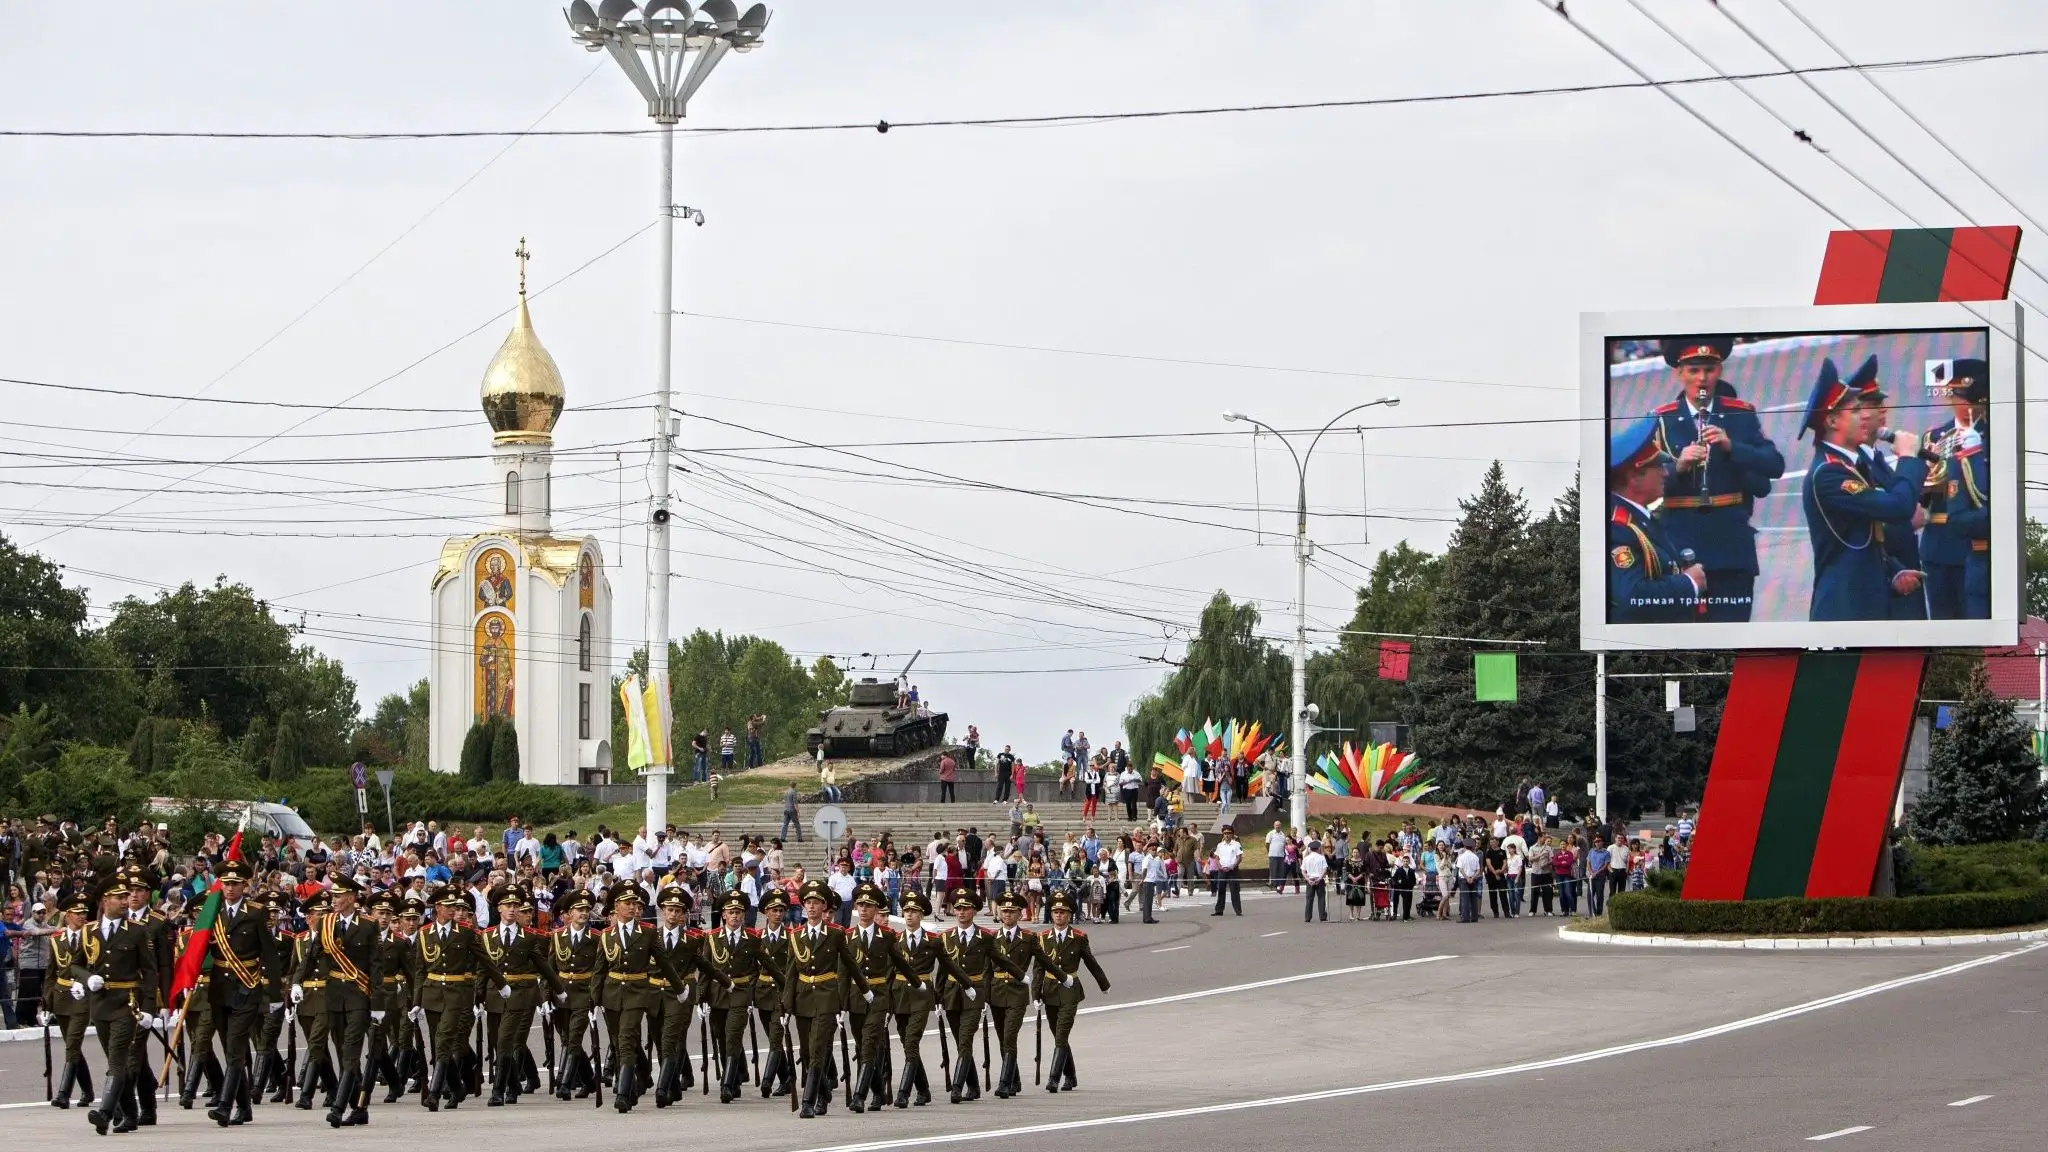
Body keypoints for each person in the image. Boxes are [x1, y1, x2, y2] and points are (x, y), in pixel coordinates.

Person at [1649, 337, 1785, 622]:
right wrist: (1679, 465)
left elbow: (1775, 464)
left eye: (1709, 370)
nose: (1702, 378)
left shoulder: (1740, 413)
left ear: (1719, 370)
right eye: (1694, 370)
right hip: (1679, 545)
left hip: (1731, 547)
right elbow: (1643, 485)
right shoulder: (1662, 419)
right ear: (1680, 373)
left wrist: (1731, 446)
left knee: (1733, 631)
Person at [1800, 356, 1927, 620]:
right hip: (1844, 607)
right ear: (1833, 421)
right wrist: (1908, 458)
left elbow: (1863, 537)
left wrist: (1894, 571)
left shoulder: (1849, 464)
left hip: (1863, 602)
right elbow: (1898, 508)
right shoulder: (1830, 473)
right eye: (1856, 411)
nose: (1865, 418)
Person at [1607, 416, 1706, 622]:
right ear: (1635, 476)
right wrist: (1689, 583)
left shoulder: (1638, 518)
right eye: (1659, 466)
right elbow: (1631, 596)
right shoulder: (1618, 529)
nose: (1666, 473)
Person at [887, 888, 971, 1108]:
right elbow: (888, 971)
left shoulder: (932, 941)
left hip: (922, 995)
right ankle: (923, 1090)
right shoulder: (894, 939)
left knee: (912, 1041)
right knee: (907, 1044)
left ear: (921, 915)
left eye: (914, 911)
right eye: (906, 911)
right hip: (899, 995)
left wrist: (967, 984)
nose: (909, 915)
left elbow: (949, 965)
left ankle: (904, 1092)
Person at [1920, 358, 1989, 619]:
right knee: (1943, 627)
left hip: (1976, 546)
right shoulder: (1935, 438)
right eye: (1960, 397)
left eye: (1973, 398)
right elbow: (1921, 496)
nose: (1968, 405)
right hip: (1939, 544)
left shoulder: (1990, 437)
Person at [787, 879, 856, 1120]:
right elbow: (791, 972)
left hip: (827, 996)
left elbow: (848, 966)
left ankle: (808, 1101)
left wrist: (845, 1001)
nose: (812, 907)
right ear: (804, 906)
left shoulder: (836, 933)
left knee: (817, 1049)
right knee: (806, 1052)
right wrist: (787, 1005)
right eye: (808, 903)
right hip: (803, 996)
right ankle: (823, 1092)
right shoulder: (795, 935)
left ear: (824, 907)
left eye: (817, 903)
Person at [1034, 891, 1109, 1093]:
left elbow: (1090, 962)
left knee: (1061, 1035)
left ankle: (1053, 1079)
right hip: (1049, 990)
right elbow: (1039, 968)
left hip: (1070, 989)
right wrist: (1035, 994)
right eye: (1055, 912)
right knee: (1059, 1036)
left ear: (1069, 915)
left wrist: (1103, 984)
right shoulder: (1042, 938)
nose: (1059, 915)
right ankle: (1071, 1075)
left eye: (1062, 912)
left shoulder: (1078, 937)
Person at [985, 892, 1042, 1099]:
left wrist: (1061, 979)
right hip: (997, 991)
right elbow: (986, 970)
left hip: (1017, 991)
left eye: (1011, 911)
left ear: (1020, 914)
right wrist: (984, 996)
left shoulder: (1028, 938)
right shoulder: (991, 938)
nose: (1007, 914)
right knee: (1002, 1039)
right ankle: (1015, 1080)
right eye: (1004, 911)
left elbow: (1043, 962)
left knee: (1010, 1036)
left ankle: (1005, 1082)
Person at [1210, 827, 1244, 916]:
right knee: (1221, 890)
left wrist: (1232, 866)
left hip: (1232, 870)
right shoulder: (1220, 845)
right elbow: (1216, 858)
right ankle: (1219, 910)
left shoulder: (1236, 844)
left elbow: (1239, 858)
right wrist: (1220, 867)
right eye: (1225, 833)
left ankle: (1238, 910)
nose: (1227, 835)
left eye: (1228, 833)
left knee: (1234, 890)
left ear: (1232, 834)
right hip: (1222, 870)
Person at [1300, 838, 1329, 923]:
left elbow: (1303, 871)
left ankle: (1307, 917)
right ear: (1319, 848)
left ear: (1310, 849)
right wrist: (1320, 878)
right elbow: (1325, 869)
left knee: (1309, 899)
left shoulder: (1306, 858)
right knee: (1321, 898)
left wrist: (1308, 880)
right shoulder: (1321, 858)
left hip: (1310, 879)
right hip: (1319, 880)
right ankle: (1322, 916)